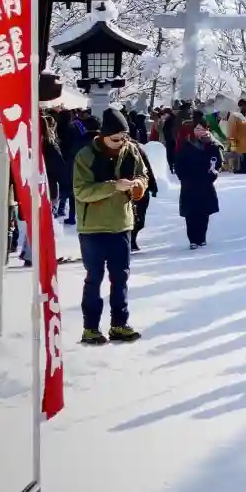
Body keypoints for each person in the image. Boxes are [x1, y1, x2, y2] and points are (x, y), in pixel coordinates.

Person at [71, 109, 151, 344]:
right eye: (116, 139)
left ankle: (119, 324)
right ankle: (90, 328)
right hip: (93, 228)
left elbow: (143, 174)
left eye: (124, 138)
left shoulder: (131, 150)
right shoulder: (86, 156)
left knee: (121, 277)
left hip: (122, 224)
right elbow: (81, 191)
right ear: (103, 135)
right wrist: (113, 186)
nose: (121, 143)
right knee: (94, 278)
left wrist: (139, 185)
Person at [172, 118, 222, 248]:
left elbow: (217, 162)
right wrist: (183, 177)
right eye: (197, 129)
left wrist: (213, 174)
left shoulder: (212, 145)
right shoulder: (187, 144)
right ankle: (193, 240)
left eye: (203, 129)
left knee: (204, 212)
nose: (200, 131)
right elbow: (178, 163)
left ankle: (201, 237)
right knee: (191, 213)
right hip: (189, 184)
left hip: (205, 183)